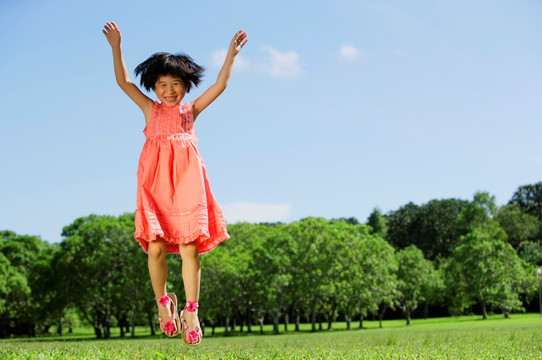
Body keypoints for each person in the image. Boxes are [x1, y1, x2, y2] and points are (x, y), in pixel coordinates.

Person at [102, 21, 247, 345]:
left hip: (186, 185)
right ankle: (164, 303)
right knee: (154, 248)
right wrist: (116, 47)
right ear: (154, 87)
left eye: (176, 83)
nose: (169, 90)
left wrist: (231, 55)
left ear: (186, 85)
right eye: (162, 84)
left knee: (189, 247)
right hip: (154, 187)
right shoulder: (149, 110)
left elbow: (220, 85)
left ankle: (192, 311)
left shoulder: (190, 111)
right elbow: (123, 81)